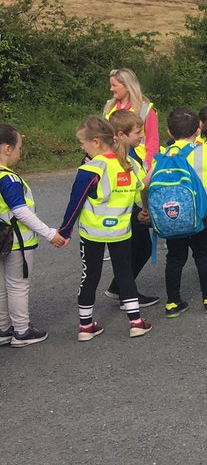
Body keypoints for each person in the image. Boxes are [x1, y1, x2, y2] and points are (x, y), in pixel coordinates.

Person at [58, 116, 152, 341]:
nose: (82, 147)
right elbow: (141, 185)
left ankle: (86, 326)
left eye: (83, 143)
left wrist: (64, 231)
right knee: (124, 273)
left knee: (89, 275)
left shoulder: (91, 168)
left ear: (97, 142)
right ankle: (136, 322)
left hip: (92, 232)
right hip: (120, 231)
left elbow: (76, 201)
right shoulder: (128, 164)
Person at [155, 107, 207, 317]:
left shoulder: (164, 154)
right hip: (203, 214)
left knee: (175, 258)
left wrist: (148, 210)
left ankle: (173, 302)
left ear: (169, 132)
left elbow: (147, 183)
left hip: (173, 216)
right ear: (198, 129)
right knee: (204, 255)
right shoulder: (204, 151)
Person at [0, 123, 64, 348]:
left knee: (1, 286)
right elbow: (20, 211)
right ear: (7, 149)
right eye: (19, 147)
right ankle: (22, 331)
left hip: (1, 242)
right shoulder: (9, 178)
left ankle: (4, 328)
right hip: (17, 241)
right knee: (18, 285)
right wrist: (49, 233)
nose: (20, 152)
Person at [103, 109, 159, 308]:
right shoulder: (111, 160)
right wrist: (154, 170)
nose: (142, 136)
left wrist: (144, 209)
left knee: (141, 247)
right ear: (120, 135)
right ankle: (126, 294)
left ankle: (119, 287)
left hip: (130, 209)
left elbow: (137, 188)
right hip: (117, 214)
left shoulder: (131, 157)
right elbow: (139, 185)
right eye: (137, 132)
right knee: (130, 252)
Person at [104, 68, 160, 172]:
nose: (111, 89)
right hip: (114, 163)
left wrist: (148, 167)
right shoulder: (109, 108)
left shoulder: (145, 109)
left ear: (127, 86)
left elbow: (153, 143)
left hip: (139, 164)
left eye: (114, 85)